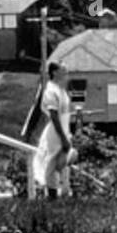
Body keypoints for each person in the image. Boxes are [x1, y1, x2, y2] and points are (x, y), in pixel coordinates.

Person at [33, 61, 75, 198]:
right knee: (52, 163)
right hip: (56, 132)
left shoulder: (60, 89)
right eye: (63, 69)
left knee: (66, 159)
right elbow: (54, 116)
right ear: (55, 72)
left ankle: (60, 192)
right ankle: (52, 196)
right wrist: (63, 137)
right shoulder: (50, 91)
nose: (66, 72)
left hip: (63, 129)